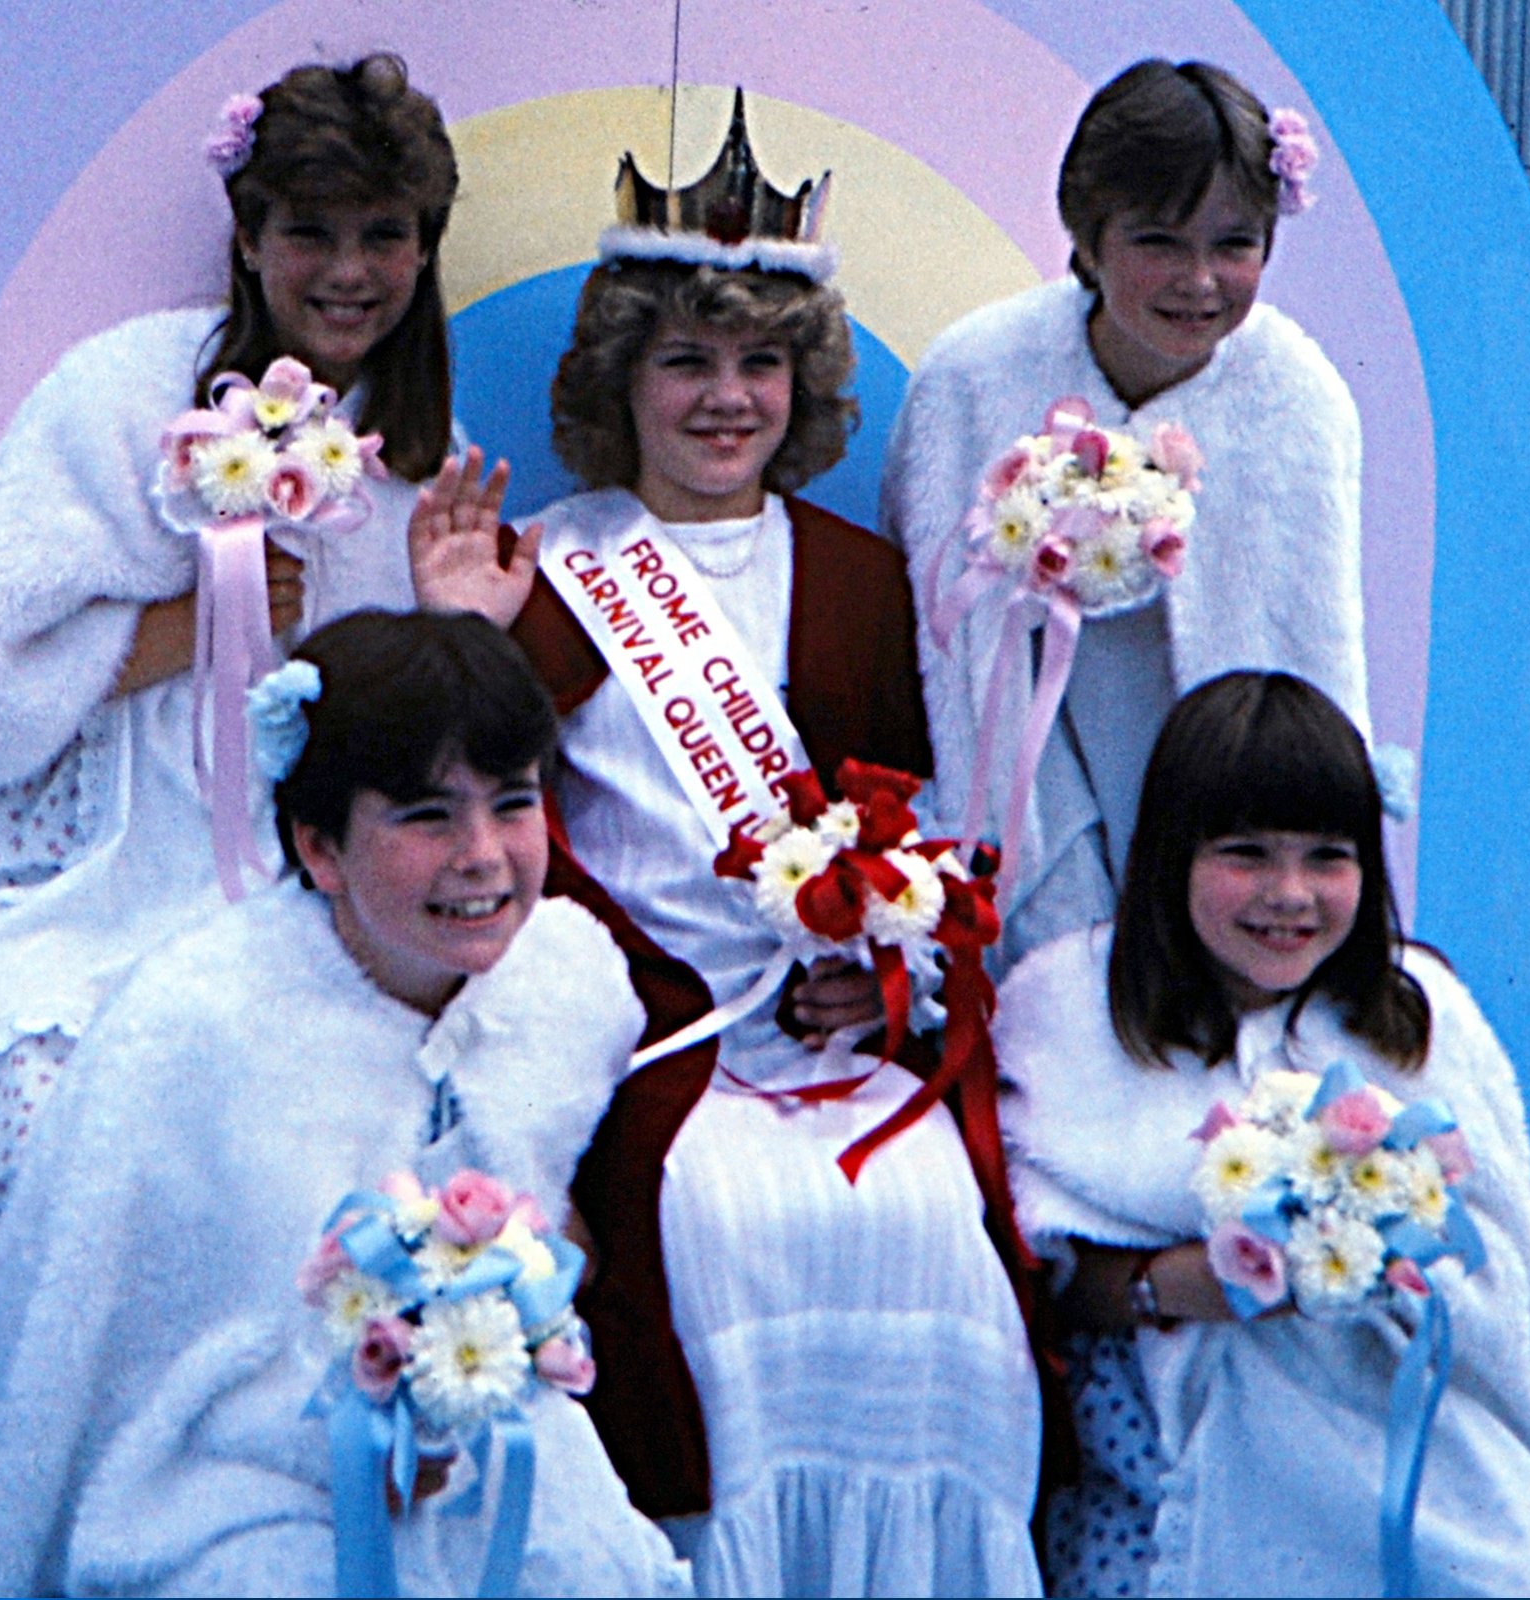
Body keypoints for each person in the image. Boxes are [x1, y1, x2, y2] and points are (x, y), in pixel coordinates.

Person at [413, 99, 1050, 1598]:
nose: (726, 398)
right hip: (657, 1038)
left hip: (835, 1044)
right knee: (710, 1218)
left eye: (759, 362)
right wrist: (463, 640)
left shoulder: (865, 581)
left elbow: (925, 835)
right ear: (620, 381)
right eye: (686, 362)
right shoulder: (547, 570)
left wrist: (880, 981)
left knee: (932, 1220)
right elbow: (482, 835)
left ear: (802, 383)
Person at [0, 55, 467, 1593]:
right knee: (72, 1178)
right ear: (250, 236)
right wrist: (186, 620)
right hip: (81, 891)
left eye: (385, 235)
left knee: (321, 1213)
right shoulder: (119, 393)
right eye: (311, 232)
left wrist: (453, 622)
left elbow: (407, 771)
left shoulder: (412, 452)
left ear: (425, 247)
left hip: (286, 925)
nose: (348, 272)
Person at [0, 610, 693, 1598]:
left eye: (512, 803)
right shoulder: (193, 1027)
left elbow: (551, 1207)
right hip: (238, 1474)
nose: (484, 854)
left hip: (484, 1435)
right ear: (320, 847)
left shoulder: (568, 980)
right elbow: (73, 1351)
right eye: (428, 816)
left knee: (589, 1563)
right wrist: (356, 1435)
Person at [993, 673, 1530, 1598]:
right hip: (1166, 1482)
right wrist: (1172, 1283)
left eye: (1327, 857)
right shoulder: (1072, 1011)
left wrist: (1388, 1253)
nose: (1289, 895)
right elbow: (1031, 1276)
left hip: (1409, 1463)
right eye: (1245, 853)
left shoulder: (1422, 1016)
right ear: (1173, 852)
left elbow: (1511, 1290)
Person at [881, 59, 1371, 972]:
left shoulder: (1300, 399)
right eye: (1159, 241)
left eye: (1235, 244)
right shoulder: (974, 378)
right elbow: (934, 646)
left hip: (1215, 830)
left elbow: (1314, 650)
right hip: (1032, 820)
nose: (1200, 280)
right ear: (1087, 233)